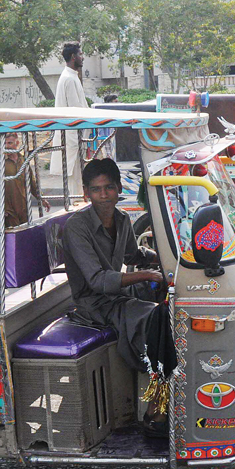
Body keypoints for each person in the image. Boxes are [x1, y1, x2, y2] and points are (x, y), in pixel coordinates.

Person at [62, 159, 177, 437]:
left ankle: (172, 389)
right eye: (96, 189)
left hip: (118, 294)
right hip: (93, 304)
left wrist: (165, 259)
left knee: (171, 304)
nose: (103, 195)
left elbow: (133, 256)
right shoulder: (76, 227)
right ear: (86, 193)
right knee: (158, 316)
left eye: (109, 188)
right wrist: (148, 276)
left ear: (119, 188)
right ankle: (155, 408)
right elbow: (99, 281)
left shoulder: (123, 219)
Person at [50, 41, 89, 203]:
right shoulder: (69, 79)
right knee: (77, 189)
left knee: (79, 186)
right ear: (73, 57)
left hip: (75, 140)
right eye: (80, 54)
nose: (83, 58)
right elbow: (77, 113)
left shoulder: (70, 77)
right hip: (73, 141)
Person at [0, 133, 50, 227]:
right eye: (4, 143)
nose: (6, 146)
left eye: (10, 143)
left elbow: (32, 183)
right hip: (9, 210)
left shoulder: (23, 160)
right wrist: (1, 208)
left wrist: (41, 198)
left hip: (24, 208)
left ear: (17, 143)